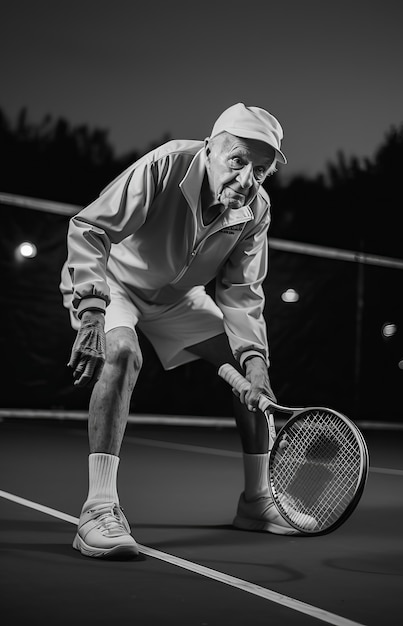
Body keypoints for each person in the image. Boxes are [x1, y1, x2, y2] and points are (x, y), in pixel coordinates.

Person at [60, 102, 300, 560]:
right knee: (124, 354)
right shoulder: (165, 165)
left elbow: (241, 291)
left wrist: (255, 361)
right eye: (238, 161)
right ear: (210, 149)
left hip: (178, 298)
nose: (248, 179)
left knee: (247, 373)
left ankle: (256, 501)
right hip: (115, 283)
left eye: (262, 171)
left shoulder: (256, 210)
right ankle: (98, 509)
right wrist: (92, 312)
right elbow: (90, 229)